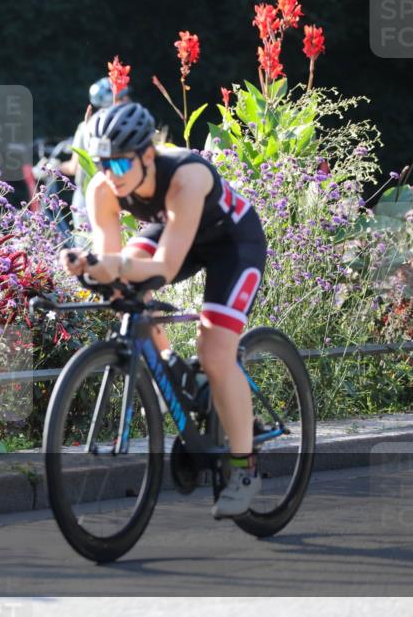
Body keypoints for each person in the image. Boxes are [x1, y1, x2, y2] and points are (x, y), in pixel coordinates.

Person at [59, 101, 268, 518]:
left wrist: (110, 265)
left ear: (148, 155)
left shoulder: (187, 176)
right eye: (103, 164)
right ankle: (176, 368)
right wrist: (88, 266)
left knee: (215, 351)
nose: (111, 175)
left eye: (121, 164)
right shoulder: (103, 188)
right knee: (125, 290)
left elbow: (165, 267)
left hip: (232, 243)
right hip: (175, 231)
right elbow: (114, 264)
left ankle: (244, 470)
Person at [59, 78, 130, 245]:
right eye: (123, 96)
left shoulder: (86, 126)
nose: (127, 100)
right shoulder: (127, 126)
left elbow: (74, 167)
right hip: (119, 195)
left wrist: (54, 166)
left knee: (85, 247)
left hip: (86, 196)